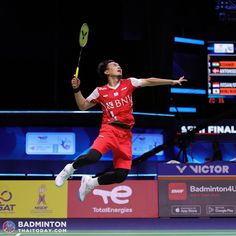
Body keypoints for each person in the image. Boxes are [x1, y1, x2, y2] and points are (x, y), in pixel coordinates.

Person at [55, 59, 187, 202]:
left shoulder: (129, 83)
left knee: (121, 175)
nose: (119, 66)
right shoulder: (100, 91)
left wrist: (172, 82)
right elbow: (83, 106)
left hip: (126, 135)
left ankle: (90, 183)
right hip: (109, 130)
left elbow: (149, 81)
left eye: (119, 65)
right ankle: (68, 170)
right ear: (107, 72)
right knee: (93, 156)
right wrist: (76, 89)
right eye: (114, 65)